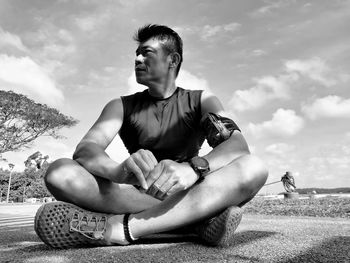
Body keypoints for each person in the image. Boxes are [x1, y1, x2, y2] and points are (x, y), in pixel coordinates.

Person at [34, 24, 268, 248]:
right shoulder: (120, 105)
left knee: (254, 167)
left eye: (146, 53)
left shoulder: (202, 100)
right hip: (139, 194)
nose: (137, 59)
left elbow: (237, 145)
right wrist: (119, 172)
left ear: (172, 60)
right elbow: (86, 149)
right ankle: (195, 222)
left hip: (190, 190)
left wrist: (193, 168)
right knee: (59, 172)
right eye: (136, 54)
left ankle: (124, 229)